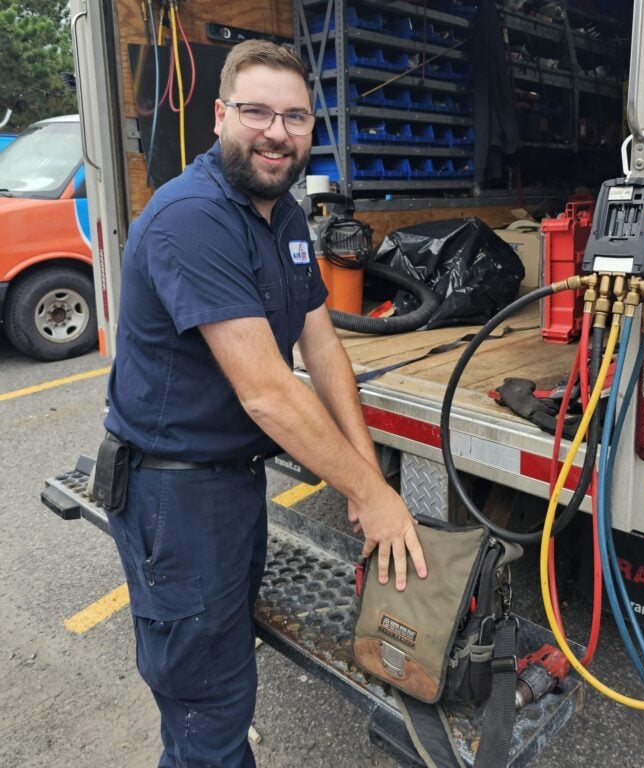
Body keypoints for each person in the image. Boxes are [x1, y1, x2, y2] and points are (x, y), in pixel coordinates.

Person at [103, 39, 427, 768]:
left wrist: (364, 469)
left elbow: (321, 346)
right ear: (219, 115)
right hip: (174, 496)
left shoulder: (280, 213)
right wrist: (371, 495)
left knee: (221, 679)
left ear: (312, 129)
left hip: (230, 484)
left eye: (295, 117)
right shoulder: (192, 218)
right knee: (206, 711)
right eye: (256, 112)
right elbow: (268, 391)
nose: (276, 132)